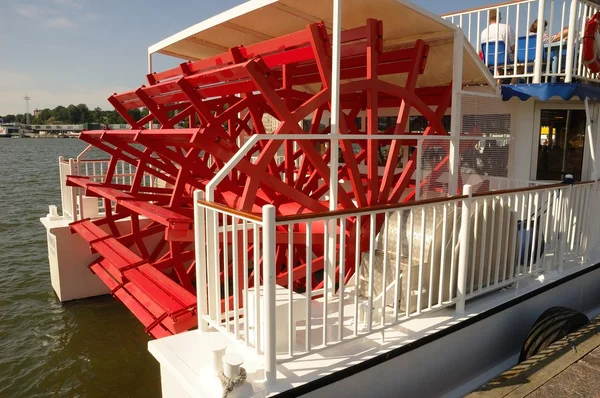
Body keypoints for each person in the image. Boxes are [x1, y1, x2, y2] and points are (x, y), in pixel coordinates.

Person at [481, 10, 519, 83]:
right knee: (521, 65)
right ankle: (512, 83)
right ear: (499, 18)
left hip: (490, 59)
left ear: (489, 19)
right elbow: (512, 47)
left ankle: (497, 82)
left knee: (498, 62)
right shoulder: (506, 27)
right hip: (504, 58)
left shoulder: (484, 31)